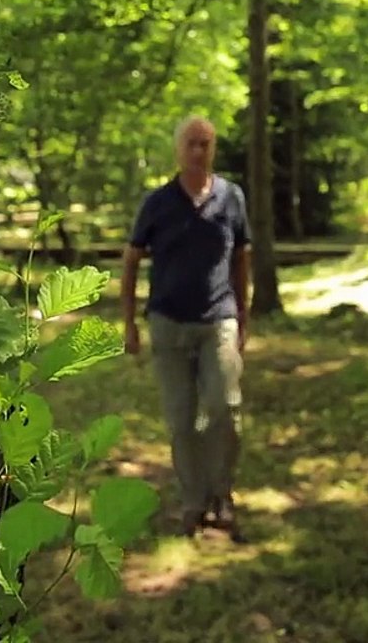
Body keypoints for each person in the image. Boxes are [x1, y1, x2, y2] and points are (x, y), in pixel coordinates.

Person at [120, 115, 251, 542]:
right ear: (178, 149)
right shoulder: (157, 202)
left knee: (223, 409)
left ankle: (222, 496)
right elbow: (131, 260)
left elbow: (242, 261)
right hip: (168, 324)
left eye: (206, 144)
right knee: (181, 421)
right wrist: (129, 324)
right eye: (192, 143)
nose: (199, 150)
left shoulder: (231, 198)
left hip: (219, 321)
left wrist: (242, 319)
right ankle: (193, 502)